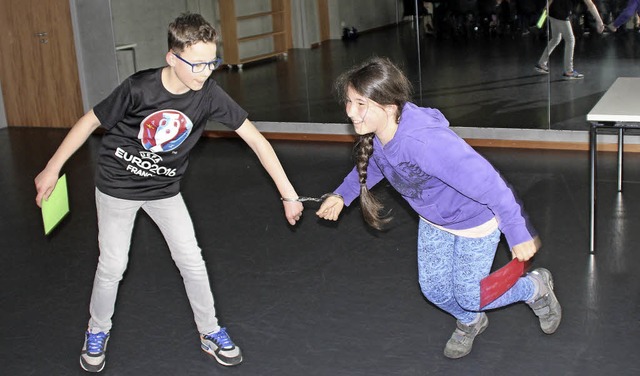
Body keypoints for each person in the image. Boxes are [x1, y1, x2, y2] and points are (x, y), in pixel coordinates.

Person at [34, 13, 304, 373]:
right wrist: (53, 168)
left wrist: (288, 194)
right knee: (113, 265)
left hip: (164, 190)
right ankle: (96, 330)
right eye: (197, 64)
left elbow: (255, 140)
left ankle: (210, 331)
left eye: (213, 62)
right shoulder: (139, 88)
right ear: (172, 58)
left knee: (192, 260)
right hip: (118, 186)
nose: (206, 71)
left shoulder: (208, 94)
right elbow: (90, 121)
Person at [316, 57, 561, 359]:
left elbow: (489, 182)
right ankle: (472, 321)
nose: (350, 111)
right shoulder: (379, 135)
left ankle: (536, 288)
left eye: (360, 103)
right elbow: (376, 164)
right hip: (434, 220)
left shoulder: (426, 142)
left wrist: (515, 230)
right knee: (434, 289)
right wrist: (343, 195)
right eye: (349, 102)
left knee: (471, 295)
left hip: (475, 222)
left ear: (389, 106)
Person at [534, 0, 605, 79]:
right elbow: (590, 5)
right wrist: (599, 21)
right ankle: (569, 71)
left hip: (552, 11)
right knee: (570, 40)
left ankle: (541, 63)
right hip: (562, 15)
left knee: (556, 38)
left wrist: (546, 8)